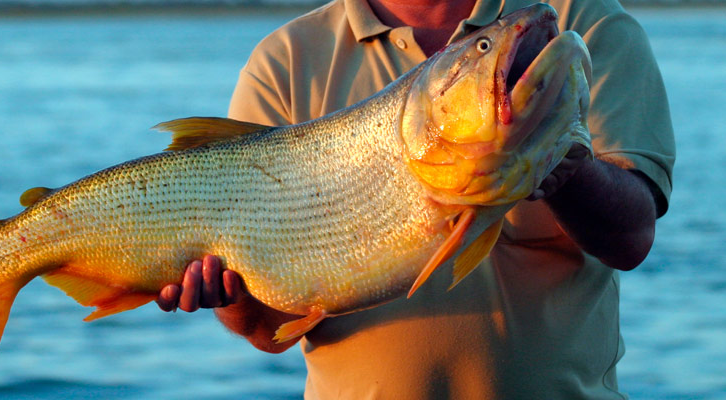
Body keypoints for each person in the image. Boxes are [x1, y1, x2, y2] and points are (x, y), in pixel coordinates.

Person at [156, 0, 675, 398]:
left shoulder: (581, 21)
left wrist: (561, 161)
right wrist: (227, 296)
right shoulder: (286, 59)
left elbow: (631, 238)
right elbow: (267, 331)